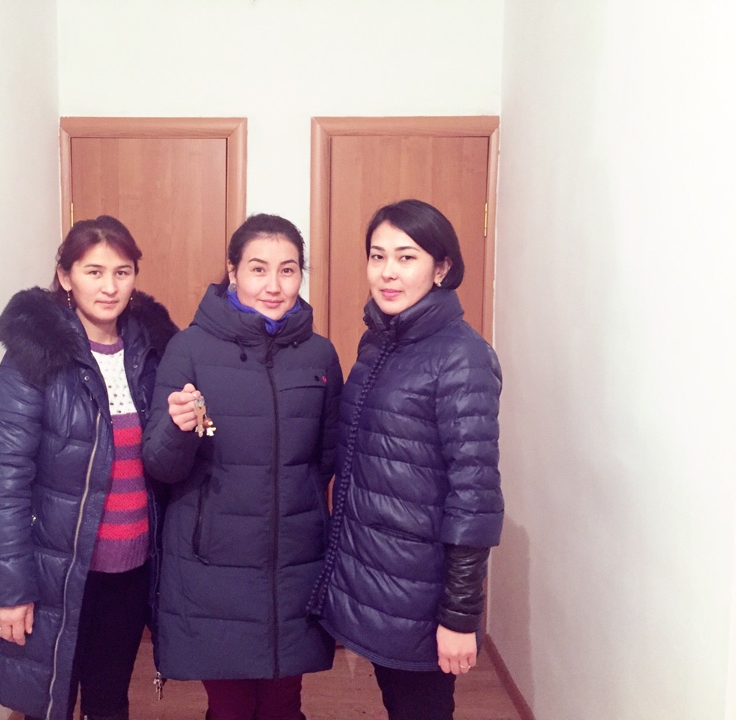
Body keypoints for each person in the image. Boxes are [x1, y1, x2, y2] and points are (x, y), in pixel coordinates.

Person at [0, 215, 177, 720]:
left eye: (122, 272)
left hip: (130, 571)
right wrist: (10, 589)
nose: (109, 286)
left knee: (109, 702)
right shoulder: (34, 359)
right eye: (94, 271)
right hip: (55, 571)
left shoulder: (153, 353)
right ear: (65, 276)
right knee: (46, 705)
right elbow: (5, 482)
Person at [307, 199, 504, 720]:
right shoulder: (380, 341)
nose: (388, 272)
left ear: (441, 268)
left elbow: (475, 498)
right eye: (378, 256)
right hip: (382, 578)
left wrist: (459, 617)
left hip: (422, 591)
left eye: (406, 257)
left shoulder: (461, 356)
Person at [142, 213, 344, 720]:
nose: (273, 285)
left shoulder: (320, 355)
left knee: (283, 703)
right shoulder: (189, 349)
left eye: (288, 270)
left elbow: (325, 460)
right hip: (213, 564)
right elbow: (161, 466)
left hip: (294, 561)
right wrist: (178, 428)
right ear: (232, 272)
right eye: (258, 269)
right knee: (229, 706)